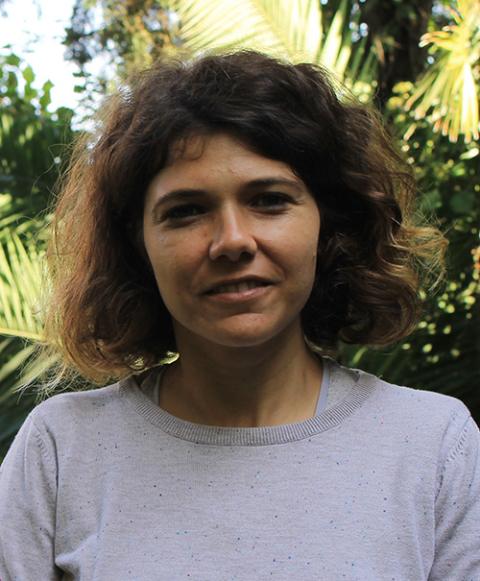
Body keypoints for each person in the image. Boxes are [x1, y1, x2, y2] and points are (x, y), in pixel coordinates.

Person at [0, 50, 478, 581]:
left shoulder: (433, 446)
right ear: (138, 245)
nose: (232, 241)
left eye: (270, 200)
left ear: (329, 225)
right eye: (185, 211)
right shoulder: (62, 450)